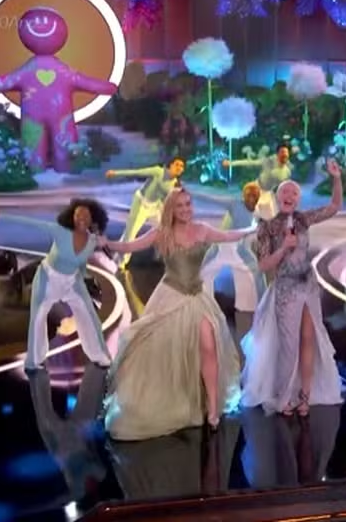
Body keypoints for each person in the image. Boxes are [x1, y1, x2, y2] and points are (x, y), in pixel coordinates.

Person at [103, 188, 251, 439]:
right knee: (165, 349)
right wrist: (107, 244)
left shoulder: (202, 230)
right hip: (170, 296)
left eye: (188, 204)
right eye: (180, 205)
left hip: (197, 297)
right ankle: (172, 397)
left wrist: (253, 229)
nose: (185, 209)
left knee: (209, 344)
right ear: (171, 209)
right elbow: (130, 245)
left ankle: (213, 408)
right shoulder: (162, 233)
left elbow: (228, 235)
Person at [241, 160, 344, 416]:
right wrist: (284, 248)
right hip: (285, 289)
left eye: (294, 192)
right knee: (289, 344)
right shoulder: (267, 227)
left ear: (298, 199)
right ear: (277, 197)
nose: (289, 196)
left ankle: (304, 396)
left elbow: (334, 207)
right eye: (285, 192)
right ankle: (283, 396)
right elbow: (264, 265)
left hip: (308, 285)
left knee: (310, 338)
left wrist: (336, 178)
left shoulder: (303, 220)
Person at [0, 200, 114, 370]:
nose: (81, 219)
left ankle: (99, 355)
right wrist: (1, 216)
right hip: (48, 277)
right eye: (78, 215)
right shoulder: (60, 232)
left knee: (88, 314)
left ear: (93, 219)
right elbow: (31, 223)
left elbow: (82, 264)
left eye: (86, 216)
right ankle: (35, 360)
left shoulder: (92, 241)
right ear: (71, 217)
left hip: (72, 280)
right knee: (39, 316)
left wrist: (87, 278)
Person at [104, 158, 185, 267]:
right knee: (130, 233)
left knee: (164, 230)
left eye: (182, 167)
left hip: (156, 207)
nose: (179, 168)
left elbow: (169, 201)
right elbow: (137, 172)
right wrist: (115, 173)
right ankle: (121, 262)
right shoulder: (158, 171)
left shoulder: (175, 184)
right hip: (141, 204)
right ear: (170, 165)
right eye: (177, 165)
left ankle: (161, 255)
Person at [200, 181, 266, 313]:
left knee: (256, 274)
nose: (251, 199)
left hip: (239, 248)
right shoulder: (235, 204)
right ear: (244, 196)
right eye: (249, 196)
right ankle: (201, 304)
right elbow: (213, 199)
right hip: (221, 246)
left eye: (254, 196)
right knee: (203, 271)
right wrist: (191, 192)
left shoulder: (257, 212)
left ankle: (259, 308)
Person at [222, 144, 294, 219]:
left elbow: (283, 188)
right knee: (243, 211)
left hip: (268, 195)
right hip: (255, 190)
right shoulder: (268, 162)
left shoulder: (287, 172)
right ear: (277, 154)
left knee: (271, 217)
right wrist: (231, 163)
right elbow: (250, 162)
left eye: (286, 153)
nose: (284, 155)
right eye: (282, 152)